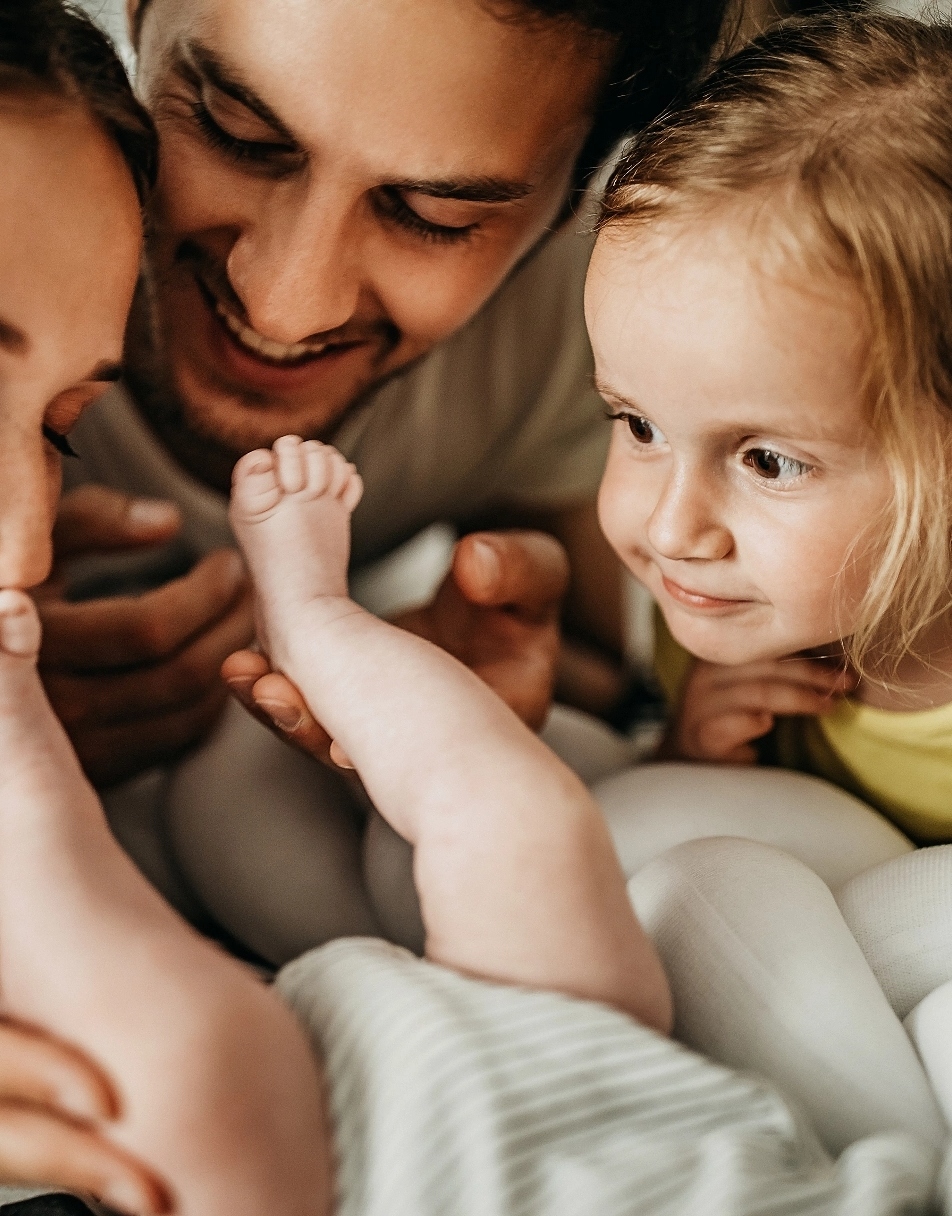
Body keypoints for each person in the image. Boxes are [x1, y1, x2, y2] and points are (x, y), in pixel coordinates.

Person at [579, 8, 952, 1155]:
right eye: (634, 423)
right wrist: (694, 749)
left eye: (767, 460)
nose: (670, 524)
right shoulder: (726, 607)